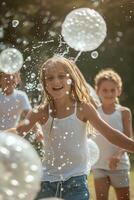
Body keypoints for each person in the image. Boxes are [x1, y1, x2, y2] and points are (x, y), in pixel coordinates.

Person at [7, 57, 134, 200]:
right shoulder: (41, 112)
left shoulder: (83, 108)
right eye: (50, 78)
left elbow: (111, 134)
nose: (56, 81)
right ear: (44, 83)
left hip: (76, 181)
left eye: (61, 76)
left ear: (71, 79)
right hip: (47, 181)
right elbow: (18, 131)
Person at [92, 68, 133, 200]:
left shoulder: (124, 112)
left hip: (120, 165)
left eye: (112, 90)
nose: (109, 93)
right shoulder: (93, 112)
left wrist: (117, 155)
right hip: (99, 165)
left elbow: (129, 138)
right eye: (104, 90)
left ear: (119, 91)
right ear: (97, 90)